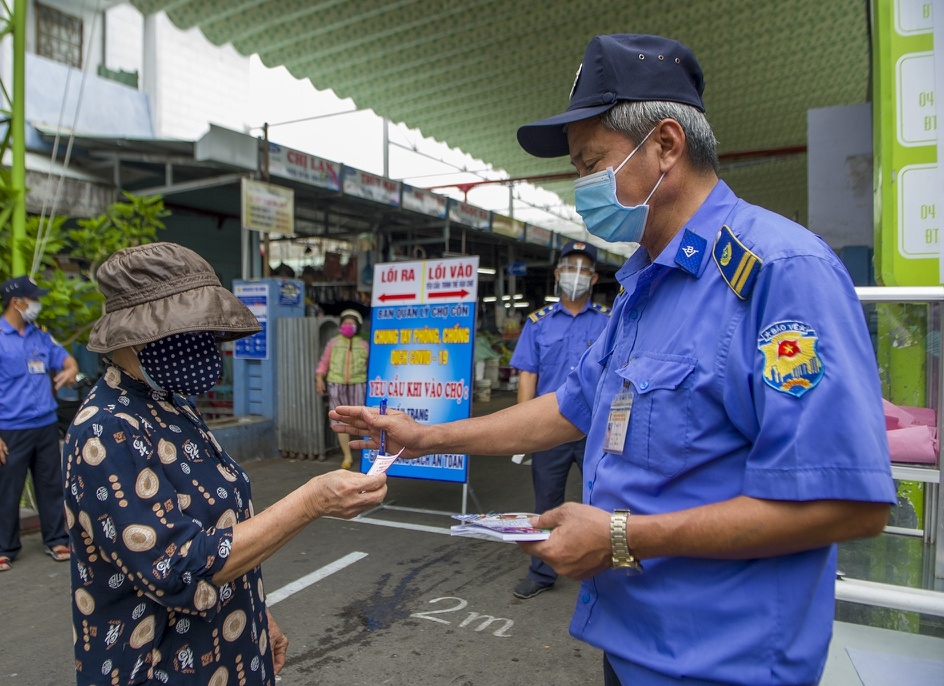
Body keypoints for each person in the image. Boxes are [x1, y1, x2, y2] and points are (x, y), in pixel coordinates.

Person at [331, 33, 896, 686]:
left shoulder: (780, 273)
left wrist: (624, 537)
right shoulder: (642, 284)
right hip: (631, 647)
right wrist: (426, 436)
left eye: (589, 164)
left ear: (664, 145)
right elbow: (570, 406)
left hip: (726, 663)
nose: (581, 187)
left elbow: (848, 502)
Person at [64, 243, 387, 685]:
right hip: (164, 668)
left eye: (206, 330)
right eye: (188, 330)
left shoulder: (171, 404)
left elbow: (215, 531)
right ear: (136, 335)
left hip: (229, 648)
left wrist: (255, 612)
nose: (203, 344)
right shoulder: (105, 430)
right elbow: (176, 570)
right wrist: (312, 500)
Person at [509, 240, 608, 600]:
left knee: (603, 498)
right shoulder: (538, 324)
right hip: (550, 430)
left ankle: (605, 572)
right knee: (546, 504)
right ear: (557, 274)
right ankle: (542, 572)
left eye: (583, 269)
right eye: (569, 267)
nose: (575, 275)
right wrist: (523, 432)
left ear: (594, 277)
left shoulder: (609, 322)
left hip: (595, 429)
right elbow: (527, 377)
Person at [0, 275, 78, 573]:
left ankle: (56, 539)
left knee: (51, 486)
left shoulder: (40, 335)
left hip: (44, 424)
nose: (36, 304)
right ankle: (3, 548)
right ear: (17, 301)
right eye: (33, 298)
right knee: (8, 490)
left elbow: (67, 361)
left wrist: (69, 370)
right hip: (10, 429)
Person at [315, 309, 369, 469]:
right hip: (336, 385)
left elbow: (370, 366)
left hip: (358, 384)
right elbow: (324, 362)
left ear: (357, 326)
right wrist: (319, 378)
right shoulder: (334, 343)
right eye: (345, 323)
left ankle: (365, 454)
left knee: (363, 419)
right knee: (340, 419)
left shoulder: (364, 345)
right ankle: (347, 456)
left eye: (351, 324)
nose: (348, 326)